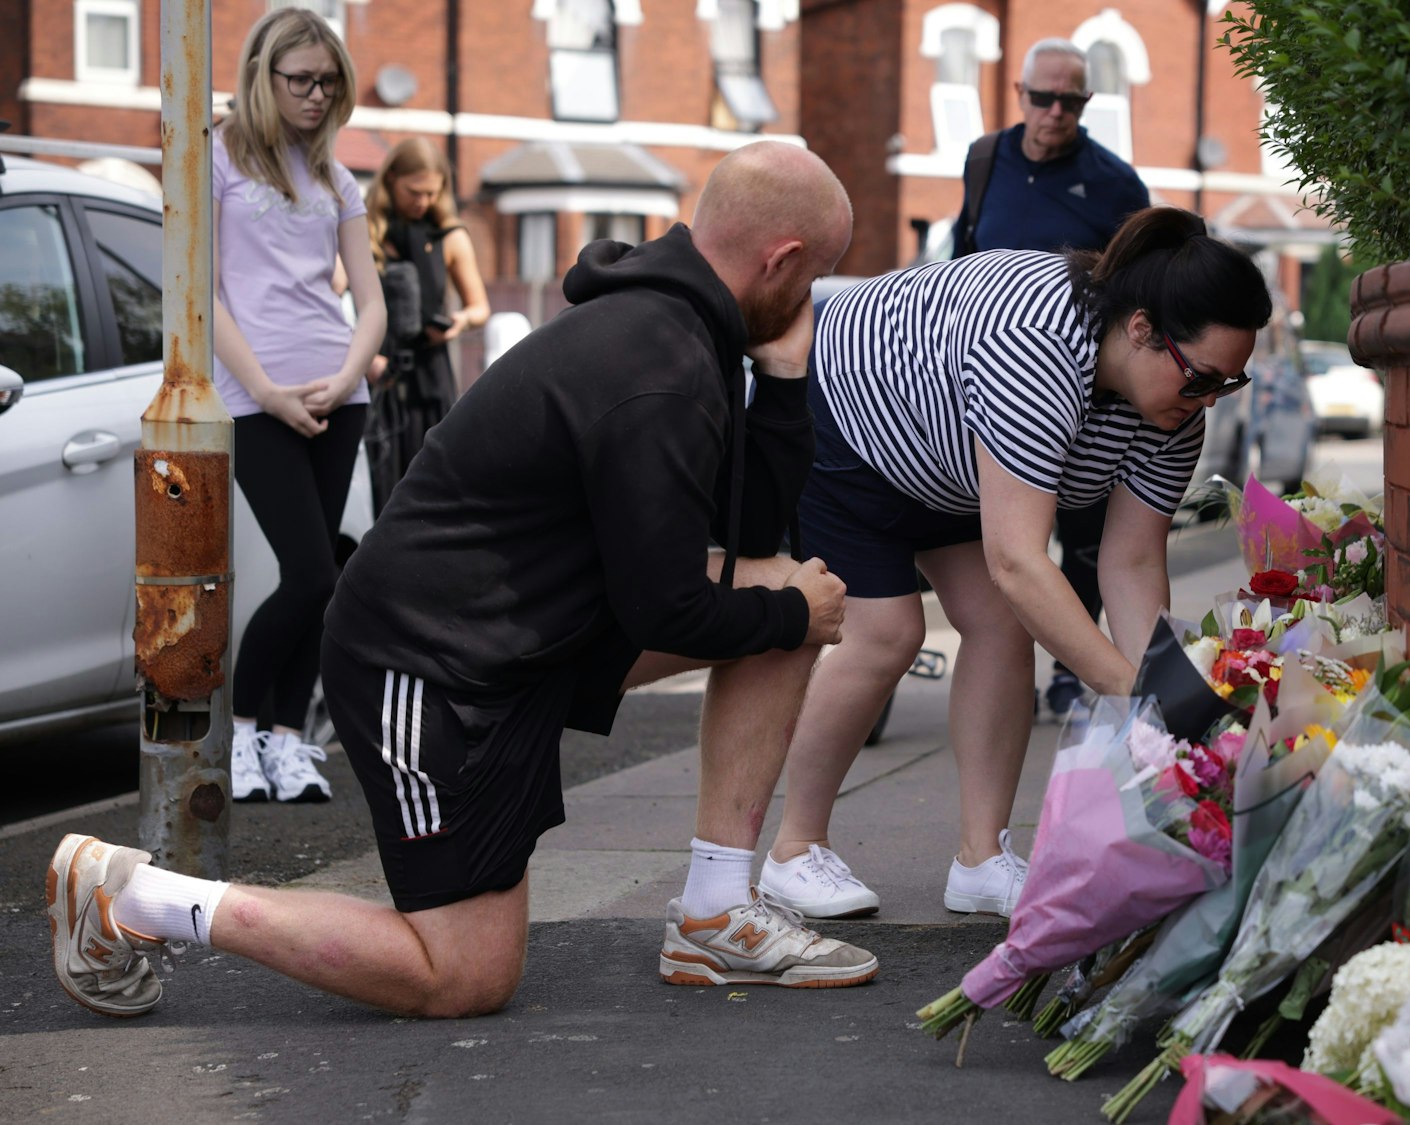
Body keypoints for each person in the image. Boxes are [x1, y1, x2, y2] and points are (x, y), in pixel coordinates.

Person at [47, 141, 873, 1021]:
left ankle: (713, 911)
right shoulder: (659, 366)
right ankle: (134, 896)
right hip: (425, 665)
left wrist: (784, 379)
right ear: (780, 261)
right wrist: (783, 608)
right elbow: (666, 605)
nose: (810, 304)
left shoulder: (682, 337)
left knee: (789, 591)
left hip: (522, 636)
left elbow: (744, 541)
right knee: (464, 976)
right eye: (814, 279)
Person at [760, 207, 1272, 920]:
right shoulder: (1036, 347)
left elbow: (1129, 564)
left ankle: (981, 858)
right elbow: (1017, 561)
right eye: (1202, 379)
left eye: (1228, 384)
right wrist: (1132, 696)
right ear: (1141, 330)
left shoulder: (1174, 408)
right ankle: (793, 849)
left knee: (1004, 629)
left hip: (954, 454)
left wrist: (1168, 701)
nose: (1208, 402)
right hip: (852, 413)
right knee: (887, 633)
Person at [210, 8, 384, 806]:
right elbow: (205, 297)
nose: (318, 96)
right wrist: (270, 393)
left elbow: (371, 304)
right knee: (310, 572)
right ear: (263, 77)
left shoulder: (338, 178)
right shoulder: (215, 160)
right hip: (256, 397)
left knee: (325, 582)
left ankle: (286, 742)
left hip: (337, 392)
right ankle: (243, 734)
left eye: (329, 83)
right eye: (302, 81)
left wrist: (349, 374)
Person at [950, 38, 1152, 721]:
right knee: (1003, 539)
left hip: (1081, 391)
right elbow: (961, 256)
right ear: (1020, 94)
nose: (1056, 112)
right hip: (990, 386)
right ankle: (1004, 656)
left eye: (1073, 100)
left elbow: (1142, 292)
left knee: (1087, 538)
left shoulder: (1116, 184)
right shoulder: (985, 160)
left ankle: (1071, 670)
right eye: (1044, 97)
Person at [361, 137, 490, 515]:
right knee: (381, 491)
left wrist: (457, 324)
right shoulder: (366, 233)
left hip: (430, 374)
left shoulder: (451, 236)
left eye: (432, 193)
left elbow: (479, 307)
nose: (423, 202)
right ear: (390, 182)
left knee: (433, 487)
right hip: (376, 375)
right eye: (413, 192)